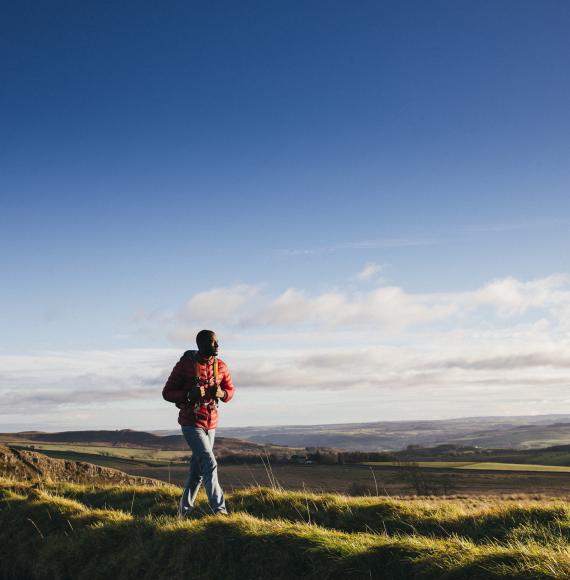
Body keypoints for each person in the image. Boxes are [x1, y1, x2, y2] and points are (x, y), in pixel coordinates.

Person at [162, 329, 235, 516]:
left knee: (198, 472)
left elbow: (230, 390)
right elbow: (167, 392)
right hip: (191, 422)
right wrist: (188, 395)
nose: (217, 345)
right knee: (209, 462)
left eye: (217, 341)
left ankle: (183, 513)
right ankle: (220, 511)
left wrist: (222, 394)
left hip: (212, 423)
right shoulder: (184, 365)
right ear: (201, 344)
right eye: (213, 342)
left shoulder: (222, 366)